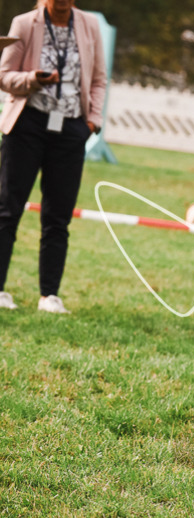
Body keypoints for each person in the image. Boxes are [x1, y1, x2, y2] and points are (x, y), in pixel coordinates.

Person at [0, 0, 106, 314]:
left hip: (71, 129)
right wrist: (33, 78)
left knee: (58, 216)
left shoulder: (89, 25)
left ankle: (50, 295)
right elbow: (4, 76)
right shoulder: (24, 23)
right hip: (27, 125)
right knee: (8, 208)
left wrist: (92, 122)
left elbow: (99, 79)